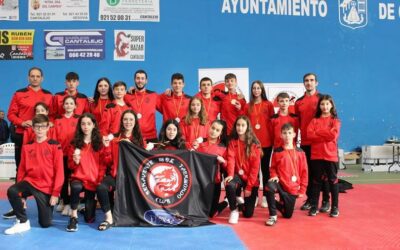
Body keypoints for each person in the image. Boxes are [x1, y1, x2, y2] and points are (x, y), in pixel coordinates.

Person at [4, 114, 63, 235]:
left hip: (46, 186)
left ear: (48, 128)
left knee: (45, 224)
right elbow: (21, 170)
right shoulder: (27, 146)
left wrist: (55, 193)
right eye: (37, 126)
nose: (40, 129)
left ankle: (47, 210)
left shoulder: (54, 145)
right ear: (33, 128)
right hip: (30, 182)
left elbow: (60, 171)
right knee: (12, 190)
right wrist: (21, 196)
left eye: (42, 126)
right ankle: (22, 221)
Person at [98, 110, 146, 231]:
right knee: (101, 188)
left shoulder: (140, 141)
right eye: (125, 119)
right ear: (121, 121)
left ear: (135, 122)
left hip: (133, 177)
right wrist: (107, 147)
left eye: (131, 119)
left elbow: (143, 162)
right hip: (116, 175)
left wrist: (132, 146)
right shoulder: (114, 139)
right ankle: (109, 217)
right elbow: (108, 161)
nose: (128, 122)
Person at [295, 73, 329, 212]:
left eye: (311, 80)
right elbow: (296, 123)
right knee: (308, 173)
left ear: (317, 83)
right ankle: (311, 199)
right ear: (303, 83)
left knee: (323, 174)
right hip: (305, 143)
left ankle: (326, 201)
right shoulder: (299, 102)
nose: (309, 83)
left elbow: (330, 118)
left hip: (321, 143)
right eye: (306, 81)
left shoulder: (323, 99)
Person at [66, 113, 106, 232]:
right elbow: (70, 165)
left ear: (94, 125)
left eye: (89, 124)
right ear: (80, 126)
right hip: (78, 178)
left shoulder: (99, 143)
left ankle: (85, 210)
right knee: (75, 186)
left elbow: (103, 164)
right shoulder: (74, 143)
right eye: (83, 124)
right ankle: (73, 216)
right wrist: (75, 161)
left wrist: (99, 180)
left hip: (93, 181)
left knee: (90, 219)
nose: (86, 126)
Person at [7, 67, 53, 169]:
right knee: (21, 165)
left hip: (42, 135)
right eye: (32, 76)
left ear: (42, 78)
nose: (35, 78)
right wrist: (22, 123)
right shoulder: (19, 93)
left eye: (38, 76)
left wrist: (51, 123)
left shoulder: (49, 95)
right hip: (22, 134)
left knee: (41, 165)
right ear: (28, 78)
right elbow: (10, 114)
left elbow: (52, 115)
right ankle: (19, 184)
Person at [265, 123, 308, 226]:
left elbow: (304, 172)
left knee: (287, 215)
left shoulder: (300, 152)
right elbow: (273, 168)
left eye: (289, 133)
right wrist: (274, 175)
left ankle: (275, 203)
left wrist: (302, 189)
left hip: (292, 187)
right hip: (280, 184)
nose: (287, 135)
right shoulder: (277, 151)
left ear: (294, 135)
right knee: (269, 186)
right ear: (281, 135)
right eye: (284, 133)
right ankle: (273, 216)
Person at [307, 95, 341, 218]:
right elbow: (310, 135)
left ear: (331, 105)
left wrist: (318, 133)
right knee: (316, 182)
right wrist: (325, 134)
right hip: (316, 155)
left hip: (330, 156)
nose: (325, 106)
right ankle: (314, 206)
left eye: (327, 104)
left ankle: (335, 207)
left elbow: (333, 136)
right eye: (322, 104)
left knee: (333, 181)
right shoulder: (314, 121)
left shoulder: (335, 121)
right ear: (319, 106)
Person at [225, 116, 261, 224]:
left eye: (243, 125)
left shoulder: (255, 145)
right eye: (238, 125)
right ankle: (233, 210)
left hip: (250, 179)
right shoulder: (232, 143)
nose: (240, 128)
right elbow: (230, 160)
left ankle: (240, 202)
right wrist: (230, 174)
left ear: (247, 127)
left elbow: (255, 169)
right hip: (238, 176)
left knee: (248, 214)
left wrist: (249, 187)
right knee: (229, 183)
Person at [245, 80, 275, 208]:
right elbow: (246, 124)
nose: (256, 90)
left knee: (265, 170)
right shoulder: (247, 105)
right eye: (254, 88)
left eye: (258, 88)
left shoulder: (268, 105)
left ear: (262, 90)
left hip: (266, 142)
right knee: (254, 171)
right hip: (253, 143)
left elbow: (273, 123)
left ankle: (267, 197)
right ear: (251, 91)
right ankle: (255, 195)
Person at [196, 120, 228, 217]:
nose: (214, 131)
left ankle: (226, 202)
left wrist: (223, 161)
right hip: (199, 181)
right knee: (198, 211)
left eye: (217, 130)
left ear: (221, 133)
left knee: (211, 214)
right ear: (209, 127)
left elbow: (228, 166)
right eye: (213, 128)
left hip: (214, 182)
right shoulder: (200, 143)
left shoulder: (223, 147)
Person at [54, 96, 80, 216]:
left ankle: (74, 203)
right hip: (61, 154)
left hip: (74, 154)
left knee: (75, 179)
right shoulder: (58, 120)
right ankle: (64, 202)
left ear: (75, 106)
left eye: (71, 103)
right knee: (62, 180)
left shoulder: (79, 119)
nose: (69, 105)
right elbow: (54, 138)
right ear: (63, 106)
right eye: (66, 103)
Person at [124, 70, 159, 142]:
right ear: (134, 80)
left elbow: (167, 106)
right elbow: (117, 103)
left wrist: (169, 92)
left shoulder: (154, 95)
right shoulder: (127, 96)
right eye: (138, 78)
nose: (140, 81)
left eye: (142, 78)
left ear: (146, 81)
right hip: (133, 135)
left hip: (151, 136)